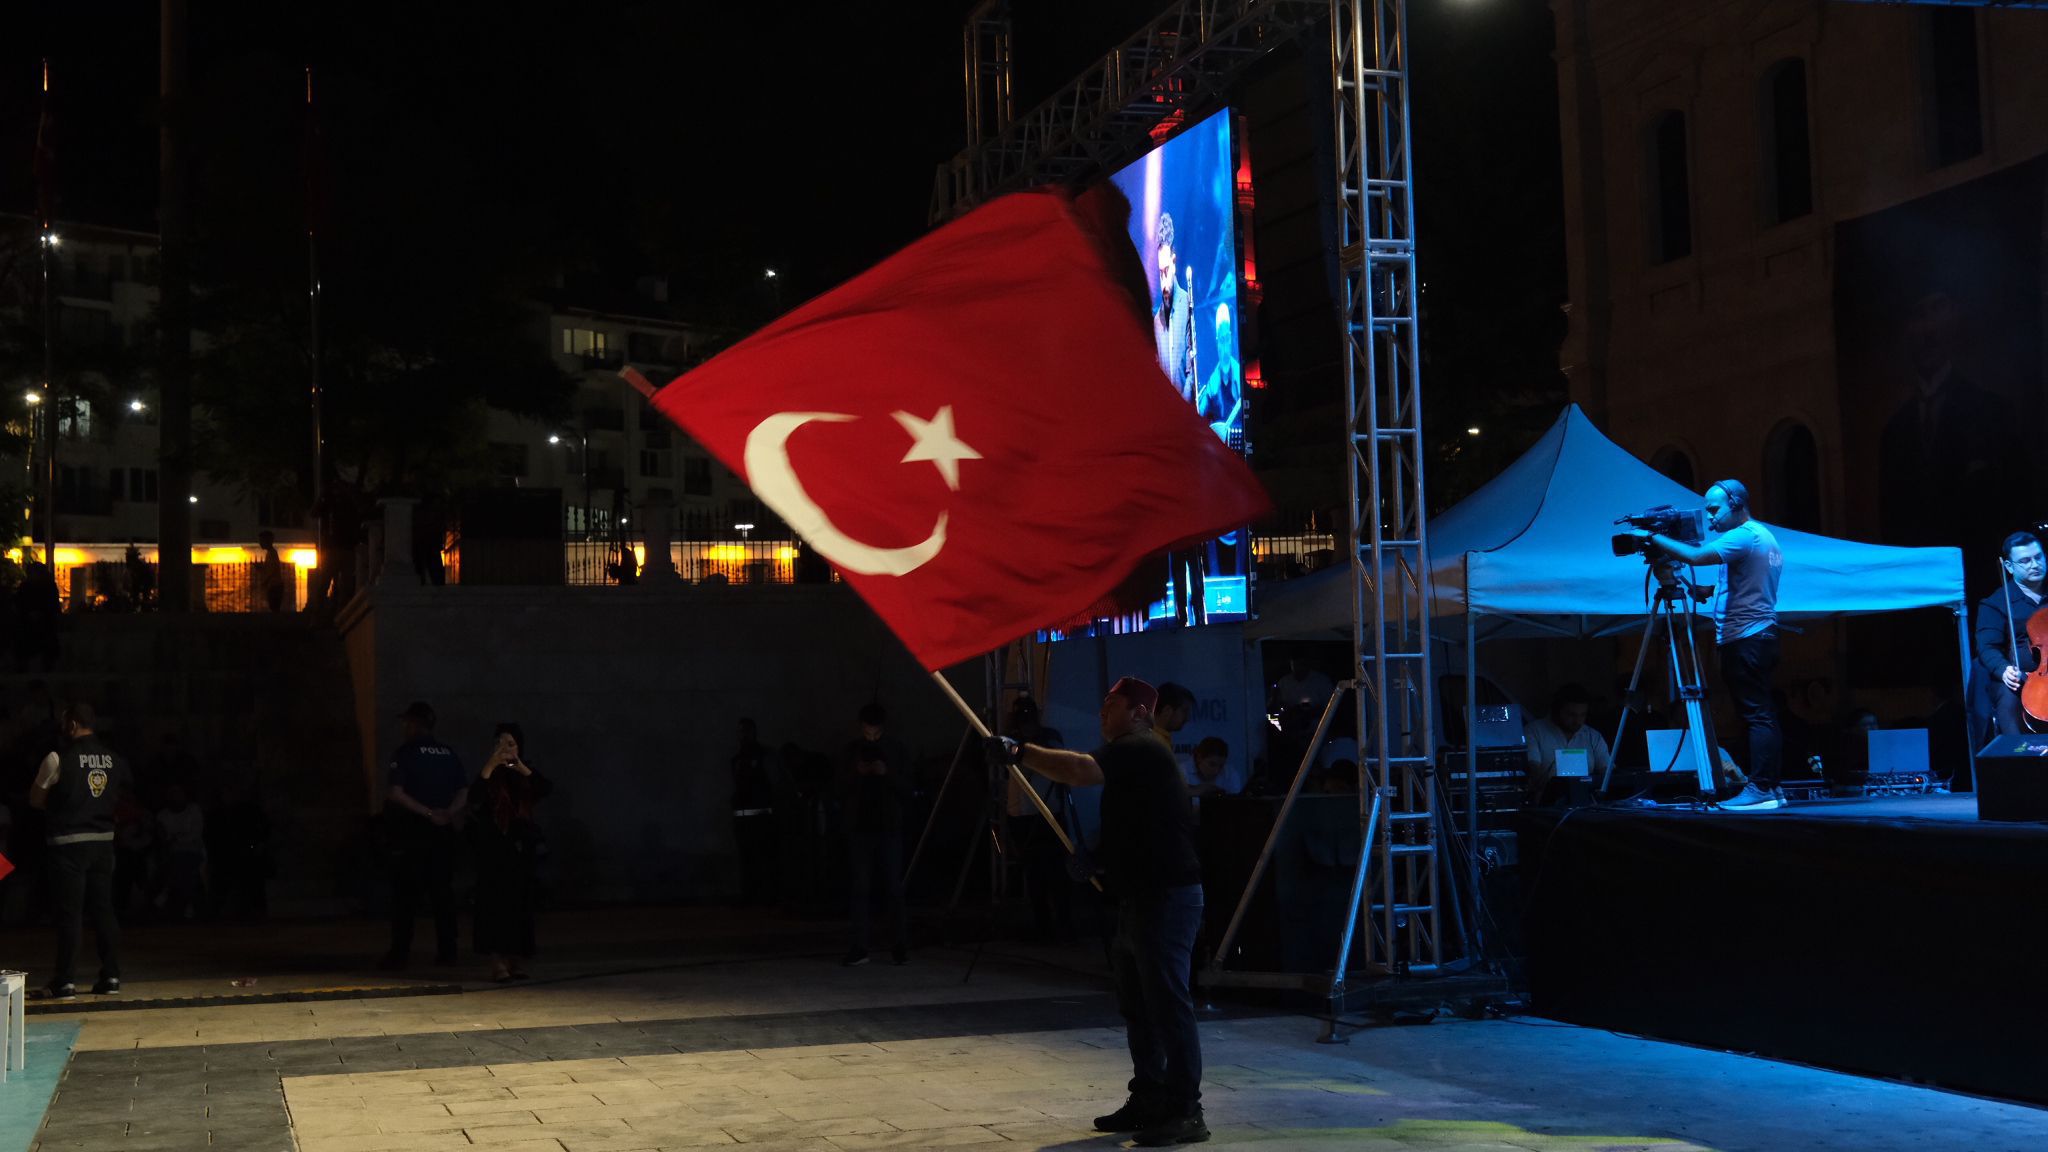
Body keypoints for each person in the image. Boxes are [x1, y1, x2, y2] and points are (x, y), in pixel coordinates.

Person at [998, 676, 1207, 1147]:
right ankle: (1149, 1097)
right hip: (1140, 897)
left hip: (1166, 897)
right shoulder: (1131, 757)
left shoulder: (1141, 746)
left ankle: (1186, 1110)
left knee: (1167, 1005)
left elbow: (1077, 770)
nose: (1102, 711)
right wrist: (1095, 855)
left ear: (1139, 713)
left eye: (1112, 704)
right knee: (1139, 1007)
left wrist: (1019, 752)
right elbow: (1130, 824)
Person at [1636, 479, 1785, 810]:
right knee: (1762, 714)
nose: (1710, 517)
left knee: (1757, 716)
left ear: (1736, 504)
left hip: (1746, 638)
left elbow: (1696, 556)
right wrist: (1702, 591)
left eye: (1715, 509)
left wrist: (1652, 537)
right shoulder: (1764, 536)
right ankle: (1771, 787)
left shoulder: (1744, 536)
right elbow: (1747, 584)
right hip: (1760, 635)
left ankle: (1761, 788)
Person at [27, 701, 126, 999]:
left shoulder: (58, 758)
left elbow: (35, 800)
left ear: (71, 724)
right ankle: (111, 977)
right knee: (104, 910)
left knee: (70, 914)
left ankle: (65, 981)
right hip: (103, 842)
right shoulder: (114, 759)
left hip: (69, 844)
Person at [381, 700, 467, 968]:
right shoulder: (448, 753)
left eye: (407, 722)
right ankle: (448, 951)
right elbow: (464, 791)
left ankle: (399, 953)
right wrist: (448, 813)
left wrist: (428, 813)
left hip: (413, 832)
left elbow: (396, 793)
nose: (404, 727)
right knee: (442, 894)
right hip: (443, 833)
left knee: (405, 895)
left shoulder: (405, 753)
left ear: (414, 724)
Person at [468, 723, 550, 982]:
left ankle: (514, 959)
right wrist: (492, 764)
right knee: (494, 906)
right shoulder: (489, 774)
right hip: (493, 850)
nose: (505, 749)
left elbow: (544, 788)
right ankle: (497, 963)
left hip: (519, 849)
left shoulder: (524, 773)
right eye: (500, 744)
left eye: (510, 744)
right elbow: (474, 798)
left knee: (519, 906)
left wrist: (519, 765)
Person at [840, 702, 911, 967]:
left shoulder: (896, 750)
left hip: (888, 827)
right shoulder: (851, 751)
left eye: (876, 732)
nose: (871, 737)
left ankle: (899, 945)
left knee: (893, 887)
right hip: (860, 828)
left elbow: (908, 789)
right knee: (860, 889)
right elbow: (838, 787)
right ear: (861, 728)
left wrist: (886, 773)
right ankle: (860, 947)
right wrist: (857, 774)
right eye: (868, 732)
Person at [1001, 696, 1072, 941]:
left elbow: (1060, 761)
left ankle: (1064, 926)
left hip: (1048, 815)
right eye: (1022, 720)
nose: (1026, 725)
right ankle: (1044, 928)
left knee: (1056, 873)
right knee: (1034, 876)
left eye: (1028, 719)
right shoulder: (1011, 742)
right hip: (1022, 816)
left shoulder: (1048, 739)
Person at [1972, 531, 2044, 737]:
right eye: (2025, 561)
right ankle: (2018, 751)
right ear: (2009, 567)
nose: (2035, 564)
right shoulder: (1995, 603)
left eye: (2038, 557)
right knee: (2008, 697)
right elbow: (1987, 646)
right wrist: (2003, 669)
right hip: (2023, 677)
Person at [1523, 684, 1612, 800]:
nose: (1577, 721)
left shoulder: (1593, 736)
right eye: (1571, 715)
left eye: (1582, 715)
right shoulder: (1534, 731)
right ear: (1557, 710)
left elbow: (1606, 770)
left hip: (1586, 801)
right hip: (1547, 802)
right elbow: (1533, 768)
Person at [731, 718, 779, 906]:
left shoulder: (763, 756)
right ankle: (751, 895)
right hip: (744, 817)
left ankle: (764, 895)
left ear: (754, 732)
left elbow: (772, 784)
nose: (743, 735)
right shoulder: (738, 759)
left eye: (746, 731)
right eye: (741, 731)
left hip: (759, 816)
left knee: (762, 857)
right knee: (747, 858)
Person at [1196, 302, 1242, 443]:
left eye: (1227, 339)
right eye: (1222, 340)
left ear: (1231, 339)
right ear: (1217, 343)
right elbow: (1199, 416)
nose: (1225, 347)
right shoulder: (1212, 385)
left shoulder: (1240, 375)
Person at [256, 530, 286, 613]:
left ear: (267, 541)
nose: (260, 543)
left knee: (274, 608)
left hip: (275, 585)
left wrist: (265, 581)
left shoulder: (272, 553)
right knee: (274, 608)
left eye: (261, 541)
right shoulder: (271, 553)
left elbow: (272, 570)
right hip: (274, 585)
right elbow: (270, 569)